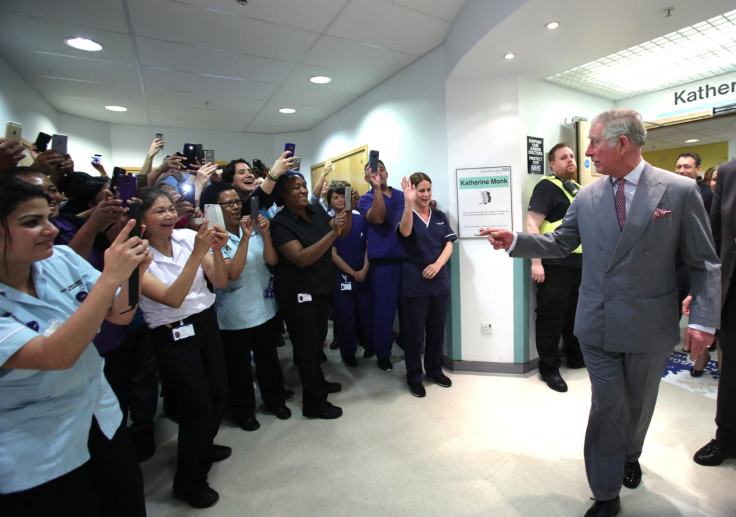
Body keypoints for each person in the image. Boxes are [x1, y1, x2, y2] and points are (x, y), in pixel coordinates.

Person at [482, 107, 720, 517]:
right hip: (598, 321)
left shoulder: (679, 191)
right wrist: (517, 240)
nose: (586, 151)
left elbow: (704, 263)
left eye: (593, 142)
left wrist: (701, 318)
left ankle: (631, 453)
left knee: (639, 404)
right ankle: (605, 492)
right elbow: (560, 241)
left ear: (622, 143)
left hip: (650, 322)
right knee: (606, 403)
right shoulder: (588, 196)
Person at [0, 177, 149, 516]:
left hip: (98, 412)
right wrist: (112, 275)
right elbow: (56, 355)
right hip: (35, 445)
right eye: (31, 223)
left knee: (126, 499)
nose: (51, 230)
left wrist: (132, 275)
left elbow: (119, 315)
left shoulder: (60, 259)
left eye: (49, 218)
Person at [137, 187, 231, 509]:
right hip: (172, 332)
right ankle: (189, 482)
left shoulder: (188, 238)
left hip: (205, 323)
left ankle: (202, 445)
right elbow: (172, 298)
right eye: (159, 211)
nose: (168, 215)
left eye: (170, 208)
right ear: (142, 220)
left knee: (218, 392)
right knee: (197, 406)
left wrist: (216, 251)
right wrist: (197, 254)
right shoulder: (138, 256)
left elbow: (219, 281)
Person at [200, 183, 291, 431]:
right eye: (228, 203)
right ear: (212, 209)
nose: (236, 207)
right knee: (238, 368)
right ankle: (243, 411)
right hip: (234, 315)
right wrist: (246, 238)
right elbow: (232, 275)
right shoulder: (212, 238)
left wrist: (264, 234)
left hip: (264, 307)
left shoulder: (249, 227)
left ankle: (275, 400)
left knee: (269, 360)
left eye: (237, 201)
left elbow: (271, 260)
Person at [269, 170, 349, 419]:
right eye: (296, 187)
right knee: (306, 348)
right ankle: (314, 403)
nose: (303, 190)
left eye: (304, 185)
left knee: (316, 346)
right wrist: (331, 233)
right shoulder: (280, 223)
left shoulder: (315, 212)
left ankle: (318, 383)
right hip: (298, 296)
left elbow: (341, 233)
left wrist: (342, 216)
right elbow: (301, 258)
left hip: (320, 289)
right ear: (283, 194)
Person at [526, 143, 585, 392]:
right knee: (551, 318)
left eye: (572, 156)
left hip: (579, 264)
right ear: (552, 164)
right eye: (563, 157)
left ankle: (575, 356)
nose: (570, 160)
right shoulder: (546, 187)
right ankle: (548, 368)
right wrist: (536, 262)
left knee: (575, 315)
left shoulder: (579, 189)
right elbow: (532, 224)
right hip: (554, 264)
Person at [693, 157, 736, 467]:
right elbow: (714, 242)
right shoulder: (730, 172)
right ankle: (728, 438)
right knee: (731, 368)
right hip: (733, 289)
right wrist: (702, 292)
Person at [397, 173, 457, 397]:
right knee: (414, 334)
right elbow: (404, 232)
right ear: (413, 191)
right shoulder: (407, 215)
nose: (425, 194)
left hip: (438, 282)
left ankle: (434, 370)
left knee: (436, 331)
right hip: (415, 283)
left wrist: (437, 265)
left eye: (428, 190)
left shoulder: (439, 216)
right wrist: (406, 202)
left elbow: (449, 244)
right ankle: (413, 375)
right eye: (421, 190)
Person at [358, 160, 405, 370]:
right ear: (367, 177)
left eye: (382, 169)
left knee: (410, 311)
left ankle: (407, 346)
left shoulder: (402, 196)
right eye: (373, 172)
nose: (379, 174)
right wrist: (376, 188)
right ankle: (383, 353)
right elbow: (378, 217)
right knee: (384, 312)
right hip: (384, 263)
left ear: (387, 171)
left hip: (407, 260)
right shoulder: (365, 199)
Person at [328, 181, 372, 366]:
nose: (339, 200)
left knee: (366, 313)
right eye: (335, 197)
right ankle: (348, 353)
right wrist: (353, 272)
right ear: (329, 201)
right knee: (345, 316)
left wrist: (364, 269)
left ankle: (370, 344)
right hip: (342, 276)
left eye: (342, 196)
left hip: (364, 274)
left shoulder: (361, 219)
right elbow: (333, 254)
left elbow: (369, 246)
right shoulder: (330, 222)